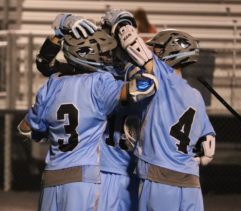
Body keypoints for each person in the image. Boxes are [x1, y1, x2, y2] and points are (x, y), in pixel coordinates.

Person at [18, 23, 157, 211]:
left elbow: (25, 129)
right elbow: (146, 85)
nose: (106, 57)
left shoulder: (52, 84)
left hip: (51, 177)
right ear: (86, 54)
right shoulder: (100, 82)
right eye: (101, 53)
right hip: (83, 179)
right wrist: (130, 67)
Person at [117, 25, 216, 210]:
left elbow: (132, 43)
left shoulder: (164, 79)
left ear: (171, 52)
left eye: (158, 48)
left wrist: (122, 26)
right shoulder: (196, 95)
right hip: (191, 181)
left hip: (159, 177)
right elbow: (208, 150)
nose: (154, 51)